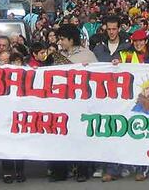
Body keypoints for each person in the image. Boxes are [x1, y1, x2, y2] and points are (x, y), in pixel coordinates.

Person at [107, 29, 149, 182]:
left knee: (142, 133)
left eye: (141, 41)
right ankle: (115, 169)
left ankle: (143, 168)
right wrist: (115, 64)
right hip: (124, 102)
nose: (138, 44)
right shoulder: (126, 56)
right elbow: (115, 68)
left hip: (144, 103)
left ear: (146, 42)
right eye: (135, 41)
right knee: (119, 133)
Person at [57, 24, 97, 182]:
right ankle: (62, 170)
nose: (60, 42)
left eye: (62, 39)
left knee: (80, 137)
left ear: (71, 39)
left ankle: (82, 170)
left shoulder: (87, 55)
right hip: (63, 103)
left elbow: (99, 75)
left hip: (81, 104)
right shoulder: (57, 55)